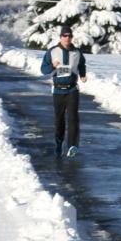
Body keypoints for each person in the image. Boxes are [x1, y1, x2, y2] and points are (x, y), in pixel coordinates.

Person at [40, 25, 86, 157]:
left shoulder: (77, 52)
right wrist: (52, 66)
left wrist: (82, 74)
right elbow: (43, 70)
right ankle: (59, 143)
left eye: (69, 36)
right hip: (58, 91)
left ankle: (72, 146)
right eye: (65, 36)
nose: (67, 38)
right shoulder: (52, 51)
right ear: (60, 37)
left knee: (73, 118)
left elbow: (82, 64)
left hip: (72, 89)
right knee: (59, 120)